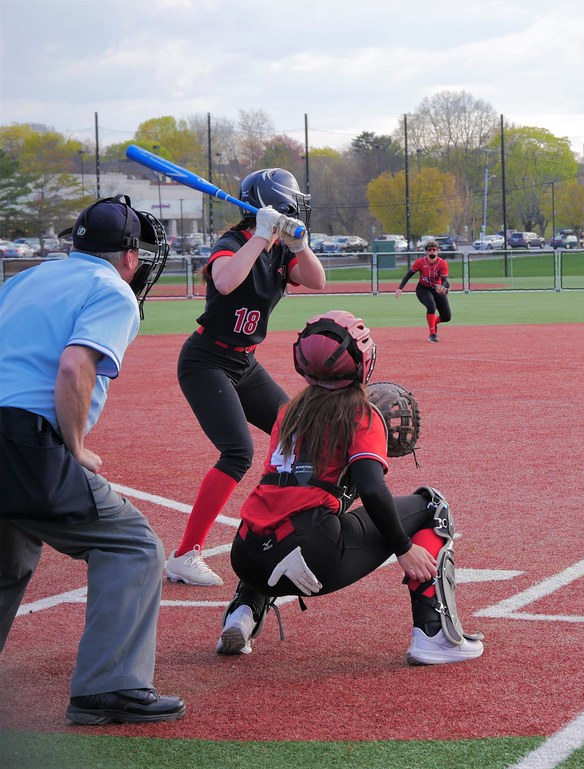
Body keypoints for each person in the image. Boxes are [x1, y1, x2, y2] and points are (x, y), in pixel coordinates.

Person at [0, 196, 185, 724]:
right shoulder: (112, 291)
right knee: (133, 545)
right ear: (129, 255)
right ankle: (109, 688)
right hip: (23, 438)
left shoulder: (25, 279)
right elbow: (74, 367)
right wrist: (74, 445)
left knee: (9, 555)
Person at [215, 311, 484, 665]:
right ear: (362, 361)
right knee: (432, 507)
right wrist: (403, 548)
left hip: (246, 554)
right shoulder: (362, 414)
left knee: (282, 515)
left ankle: (242, 612)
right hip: (310, 555)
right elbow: (372, 489)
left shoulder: (288, 411)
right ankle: (434, 635)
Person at [166, 169, 327, 587]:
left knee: (297, 431)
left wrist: (299, 245)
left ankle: (290, 525)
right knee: (237, 453)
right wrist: (259, 235)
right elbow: (224, 279)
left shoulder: (280, 250)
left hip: (244, 363)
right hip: (206, 360)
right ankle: (186, 555)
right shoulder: (235, 242)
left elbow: (317, 280)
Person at [394, 240, 452, 342]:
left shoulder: (442, 263)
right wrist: (400, 288)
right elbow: (409, 274)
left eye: (434, 250)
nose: (432, 252)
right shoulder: (420, 262)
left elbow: (445, 281)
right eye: (429, 250)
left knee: (447, 317)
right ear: (426, 252)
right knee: (431, 306)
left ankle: (433, 323)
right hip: (423, 289)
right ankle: (432, 334)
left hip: (436, 289)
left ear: (438, 251)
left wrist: (442, 286)